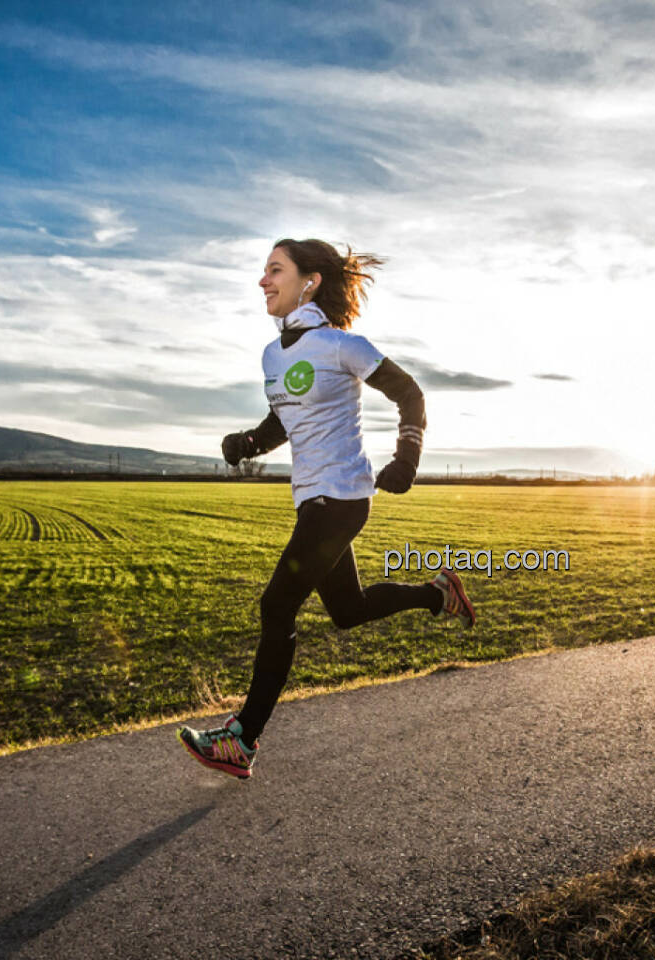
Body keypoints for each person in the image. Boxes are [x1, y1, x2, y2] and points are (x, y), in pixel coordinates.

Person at [178, 238, 475, 780]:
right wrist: (248, 442)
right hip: (311, 501)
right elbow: (281, 422)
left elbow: (409, 393)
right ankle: (438, 596)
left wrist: (406, 457)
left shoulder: (343, 345)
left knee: (276, 607)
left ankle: (242, 739)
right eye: (263, 271)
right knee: (348, 610)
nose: (262, 281)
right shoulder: (273, 355)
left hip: (339, 500)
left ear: (309, 281)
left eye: (275, 270)